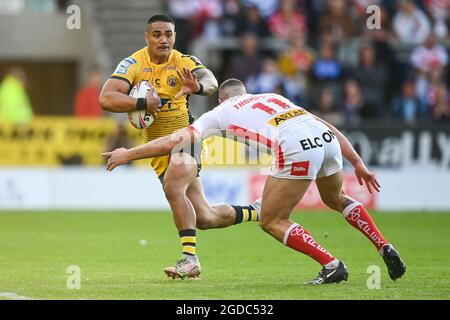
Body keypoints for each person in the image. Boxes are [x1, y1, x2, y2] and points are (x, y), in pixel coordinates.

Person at [102, 79, 407, 284]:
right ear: (245, 92)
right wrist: (357, 162)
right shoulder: (273, 97)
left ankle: (331, 266)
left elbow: (174, 140)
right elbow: (324, 124)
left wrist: (128, 153)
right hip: (323, 138)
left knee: (273, 220)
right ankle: (383, 246)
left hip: (294, 145)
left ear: (223, 98)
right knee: (336, 198)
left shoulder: (219, 112)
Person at [99, 15, 259, 280]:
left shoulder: (184, 61)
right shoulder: (133, 63)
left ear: (174, 36)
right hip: (159, 150)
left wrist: (197, 86)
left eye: (169, 34)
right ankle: (258, 212)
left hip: (188, 139)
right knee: (205, 217)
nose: (164, 40)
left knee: (173, 186)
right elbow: (106, 98)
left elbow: (211, 82)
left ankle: (189, 259)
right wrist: (141, 104)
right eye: (157, 34)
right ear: (147, 37)